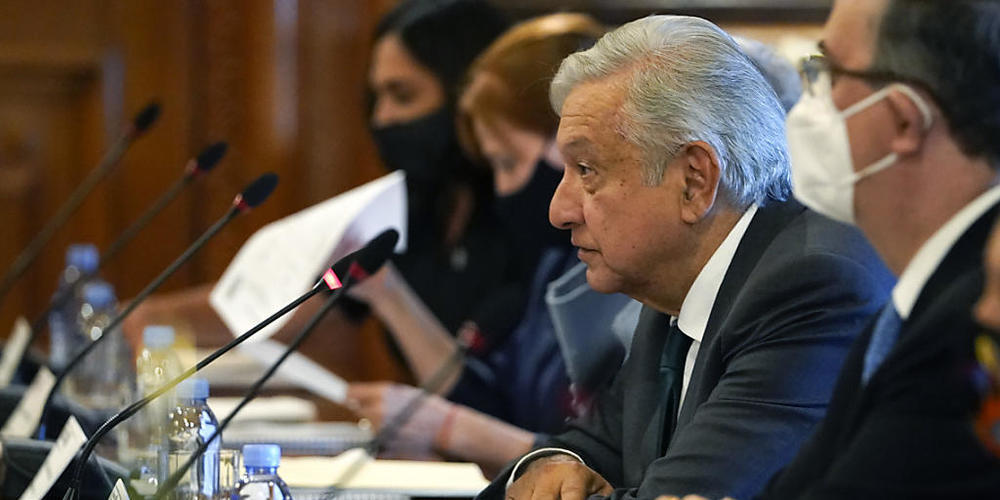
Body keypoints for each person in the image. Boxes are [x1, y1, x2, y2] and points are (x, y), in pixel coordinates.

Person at [480, 15, 893, 500]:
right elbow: (595, 443)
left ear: (695, 181)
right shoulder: (675, 282)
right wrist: (552, 464)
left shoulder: (812, 286)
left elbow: (688, 493)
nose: (558, 210)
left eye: (587, 169)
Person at [120, 0, 520, 371]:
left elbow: (494, 395)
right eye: (375, 98)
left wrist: (391, 298)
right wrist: (156, 317)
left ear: (465, 95)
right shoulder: (409, 206)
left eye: (403, 95)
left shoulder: (526, 214)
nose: (382, 118)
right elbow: (288, 305)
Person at [346, 13, 640, 476]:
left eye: (508, 162)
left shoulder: (630, 283)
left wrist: (448, 429)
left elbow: (607, 467)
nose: (503, 191)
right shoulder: (550, 268)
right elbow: (491, 400)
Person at [755, 0, 1000, 497]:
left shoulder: (978, 316)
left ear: (904, 121)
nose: (810, 102)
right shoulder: (920, 299)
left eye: (828, 71)